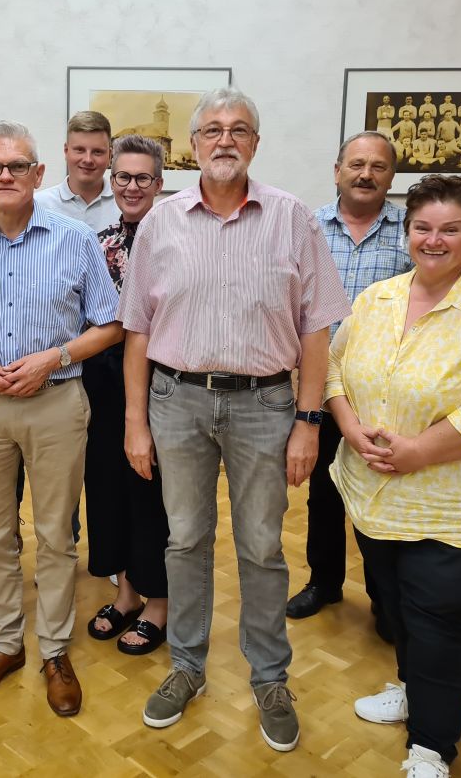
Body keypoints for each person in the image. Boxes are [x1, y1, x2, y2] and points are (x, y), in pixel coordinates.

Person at [119, 88, 351, 753]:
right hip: (178, 402)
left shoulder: (293, 219)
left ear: (255, 142)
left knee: (260, 546)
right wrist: (136, 422)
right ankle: (186, 668)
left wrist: (308, 421)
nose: (226, 139)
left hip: (265, 407)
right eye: (213, 130)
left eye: (239, 129)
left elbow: (316, 331)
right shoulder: (161, 223)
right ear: (193, 146)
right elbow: (136, 330)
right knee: (185, 540)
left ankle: (271, 677)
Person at [327, 175, 461, 776]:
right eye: (423, 227)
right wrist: (347, 427)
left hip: (459, 508)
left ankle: (432, 744)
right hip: (375, 495)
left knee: (443, 623)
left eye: (451, 229)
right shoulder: (377, 299)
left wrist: (419, 452)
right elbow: (334, 369)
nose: (434, 239)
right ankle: (412, 690)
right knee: (394, 609)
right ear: (408, 232)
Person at [0, 121, 121, 718]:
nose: (5, 176)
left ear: (39, 175)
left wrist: (56, 357)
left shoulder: (76, 240)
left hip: (57, 403)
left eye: (17, 166)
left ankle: (55, 650)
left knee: (56, 535)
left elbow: (111, 324)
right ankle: (4, 643)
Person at [286, 132, 411, 638]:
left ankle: (385, 596)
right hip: (321, 386)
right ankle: (325, 581)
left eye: (378, 167)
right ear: (337, 169)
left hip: (386, 394)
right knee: (324, 491)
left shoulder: (412, 232)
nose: (366, 174)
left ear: (390, 176)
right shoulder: (308, 228)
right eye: (356, 164)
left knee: (383, 495)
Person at [83, 135, 170, 656]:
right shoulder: (100, 241)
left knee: (153, 490)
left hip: (163, 380)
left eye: (142, 178)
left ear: (159, 184)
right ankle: (127, 591)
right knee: (109, 485)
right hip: (102, 380)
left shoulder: (177, 236)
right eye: (123, 177)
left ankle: (158, 600)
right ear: (111, 181)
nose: (131, 187)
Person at [34, 110, 120, 231]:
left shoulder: (124, 205)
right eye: (80, 150)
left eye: (97, 152)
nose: (88, 159)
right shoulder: (38, 206)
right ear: (66, 151)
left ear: (110, 155)